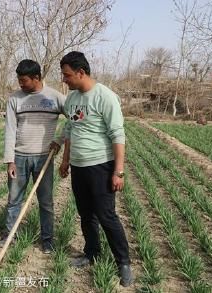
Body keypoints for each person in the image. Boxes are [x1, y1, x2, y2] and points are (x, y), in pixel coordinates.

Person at [58, 51, 133, 286]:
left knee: (106, 215)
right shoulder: (71, 99)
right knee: (86, 214)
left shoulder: (105, 97)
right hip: (79, 167)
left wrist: (118, 171)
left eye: (67, 75)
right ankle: (92, 253)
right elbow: (71, 130)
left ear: (81, 73)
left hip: (101, 165)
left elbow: (118, 135)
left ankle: (123, 262)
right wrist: (65, 159)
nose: (64, 79)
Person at [2, 59, 65, 254]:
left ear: (37, 78)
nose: (21, 85)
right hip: (19, 157)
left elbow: (74, 120)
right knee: (14, 200)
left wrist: (60, 140)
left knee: (45, 202)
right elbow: (10, 130)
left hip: (43, 158)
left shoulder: (55, 97)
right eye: (19, 81)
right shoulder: (15, 99)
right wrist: (9, 160)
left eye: (24, 81)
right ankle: (11, 234)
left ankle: (47, 240)